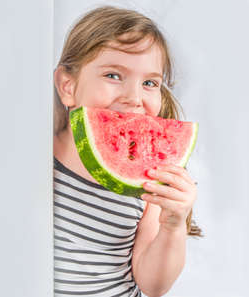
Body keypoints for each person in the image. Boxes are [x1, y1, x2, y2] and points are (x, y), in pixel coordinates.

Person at [53, 6, 203, 297]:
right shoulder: (38, 155)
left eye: (149, 83)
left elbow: (153, 284)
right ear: (67, 85)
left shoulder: (150, 181)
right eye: (113, 75)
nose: (134, 98)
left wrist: (173, 225)